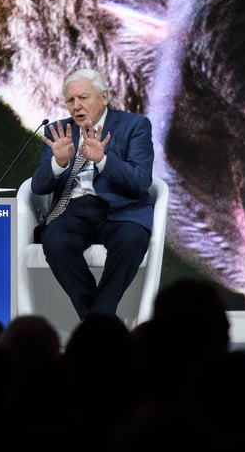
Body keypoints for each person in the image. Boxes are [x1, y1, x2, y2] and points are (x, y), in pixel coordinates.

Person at [30, 67, 154, 320]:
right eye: (70, 100)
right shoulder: (58, 131)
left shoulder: (135, 126)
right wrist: (58, 163)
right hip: (72, 209)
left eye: (83, 98)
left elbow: (141, 181)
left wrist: (104, 160)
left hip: (120, 208)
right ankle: (100, 321)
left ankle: (96, 321)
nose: (76, 106)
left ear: (104, 97)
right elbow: (38, 187)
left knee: (131, 239)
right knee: (55, 241)